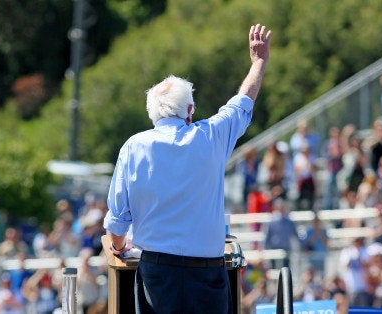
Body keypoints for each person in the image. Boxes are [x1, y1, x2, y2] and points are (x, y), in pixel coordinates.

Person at [103, 23, 272, 313]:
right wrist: (258, 63)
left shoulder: (133, 146)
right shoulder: (212, 136)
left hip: (157, 272)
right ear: (190, 110)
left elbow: (118, 220)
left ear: (151, 113)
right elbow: (242, 103)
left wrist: (119, 247)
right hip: (206, 272)